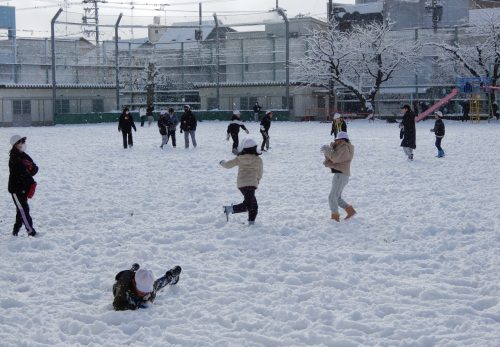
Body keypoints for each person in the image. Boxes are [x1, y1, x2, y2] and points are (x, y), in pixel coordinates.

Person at [220, 138, 263, 225]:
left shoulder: (239, 158)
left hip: (242, 184)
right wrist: (257, 180)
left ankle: (251, 223)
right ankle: (229, 209)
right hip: (252, 183)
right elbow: (260, 172)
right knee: (249, 205)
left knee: (253, 205)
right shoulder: (258, 160)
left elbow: (228, 165)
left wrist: (222, 162)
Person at [112, 263, 182, 311]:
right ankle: (133, 269)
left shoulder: (149, 288)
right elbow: (117, 305)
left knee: (157, 285)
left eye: (146, 291)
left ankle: (171, 277)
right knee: (128, 275)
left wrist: (146, 300)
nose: (143, 293)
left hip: (137, 282)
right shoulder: (123, 286)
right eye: (141, 290)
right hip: (123, 286)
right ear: (134, 282)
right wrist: (131, 307)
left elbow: (150, 299)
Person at [320, 131, 356, 222]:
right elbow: (333, 158)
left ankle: (335, 217)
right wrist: (327, 151)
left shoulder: (345, 148)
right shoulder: (342, 147)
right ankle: (350, 211)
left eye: (337, 140)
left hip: (341, 174)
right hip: (340, 174)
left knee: (332, 197)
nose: (336, 141)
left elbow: (335, 159)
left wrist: (328, 150)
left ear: (342, 140)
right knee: (337, 197)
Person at [8, 135, 38, 237]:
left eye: (23, 142)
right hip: (16, 189)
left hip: (24, 188)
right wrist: (32, 181)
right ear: (15, 145)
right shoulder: (14, 157)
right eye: (21, 142)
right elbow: (23, 173)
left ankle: (15, 232)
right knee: (23, 210)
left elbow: (35, 168)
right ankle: (30, 231)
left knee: (20, 210)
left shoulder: (24, 155)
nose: (23, 144)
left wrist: (31, 170)